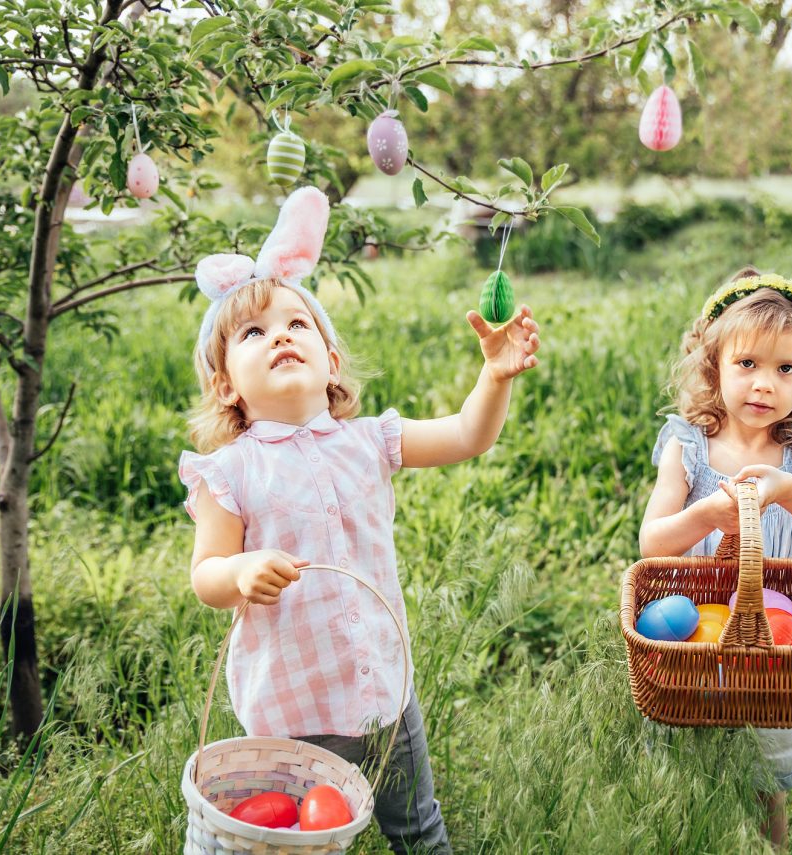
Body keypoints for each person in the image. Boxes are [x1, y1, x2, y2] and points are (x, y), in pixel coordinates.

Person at [178, 187, 540, 853]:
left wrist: (494, 377)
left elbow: (467, 435)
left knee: (419, 828)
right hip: (287, 716)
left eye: (297, 324)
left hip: (384, 694)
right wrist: (240, 569)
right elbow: (206, 574)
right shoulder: (229, 472)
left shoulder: (369, 441)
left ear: (330, 360)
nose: (280, 335)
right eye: (253, 333)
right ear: (227, 384)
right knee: (290, 838)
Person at [638, 266, 792, 852]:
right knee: (693, 763)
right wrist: (706, 515)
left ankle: (771, 846)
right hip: (698, 637)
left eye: (785, 369)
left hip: (777, 650)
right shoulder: (687, 444)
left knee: (766, 779)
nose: (764, 384)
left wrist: (790, 490)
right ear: (715, 365)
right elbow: (652, 542)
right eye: (747, 365)